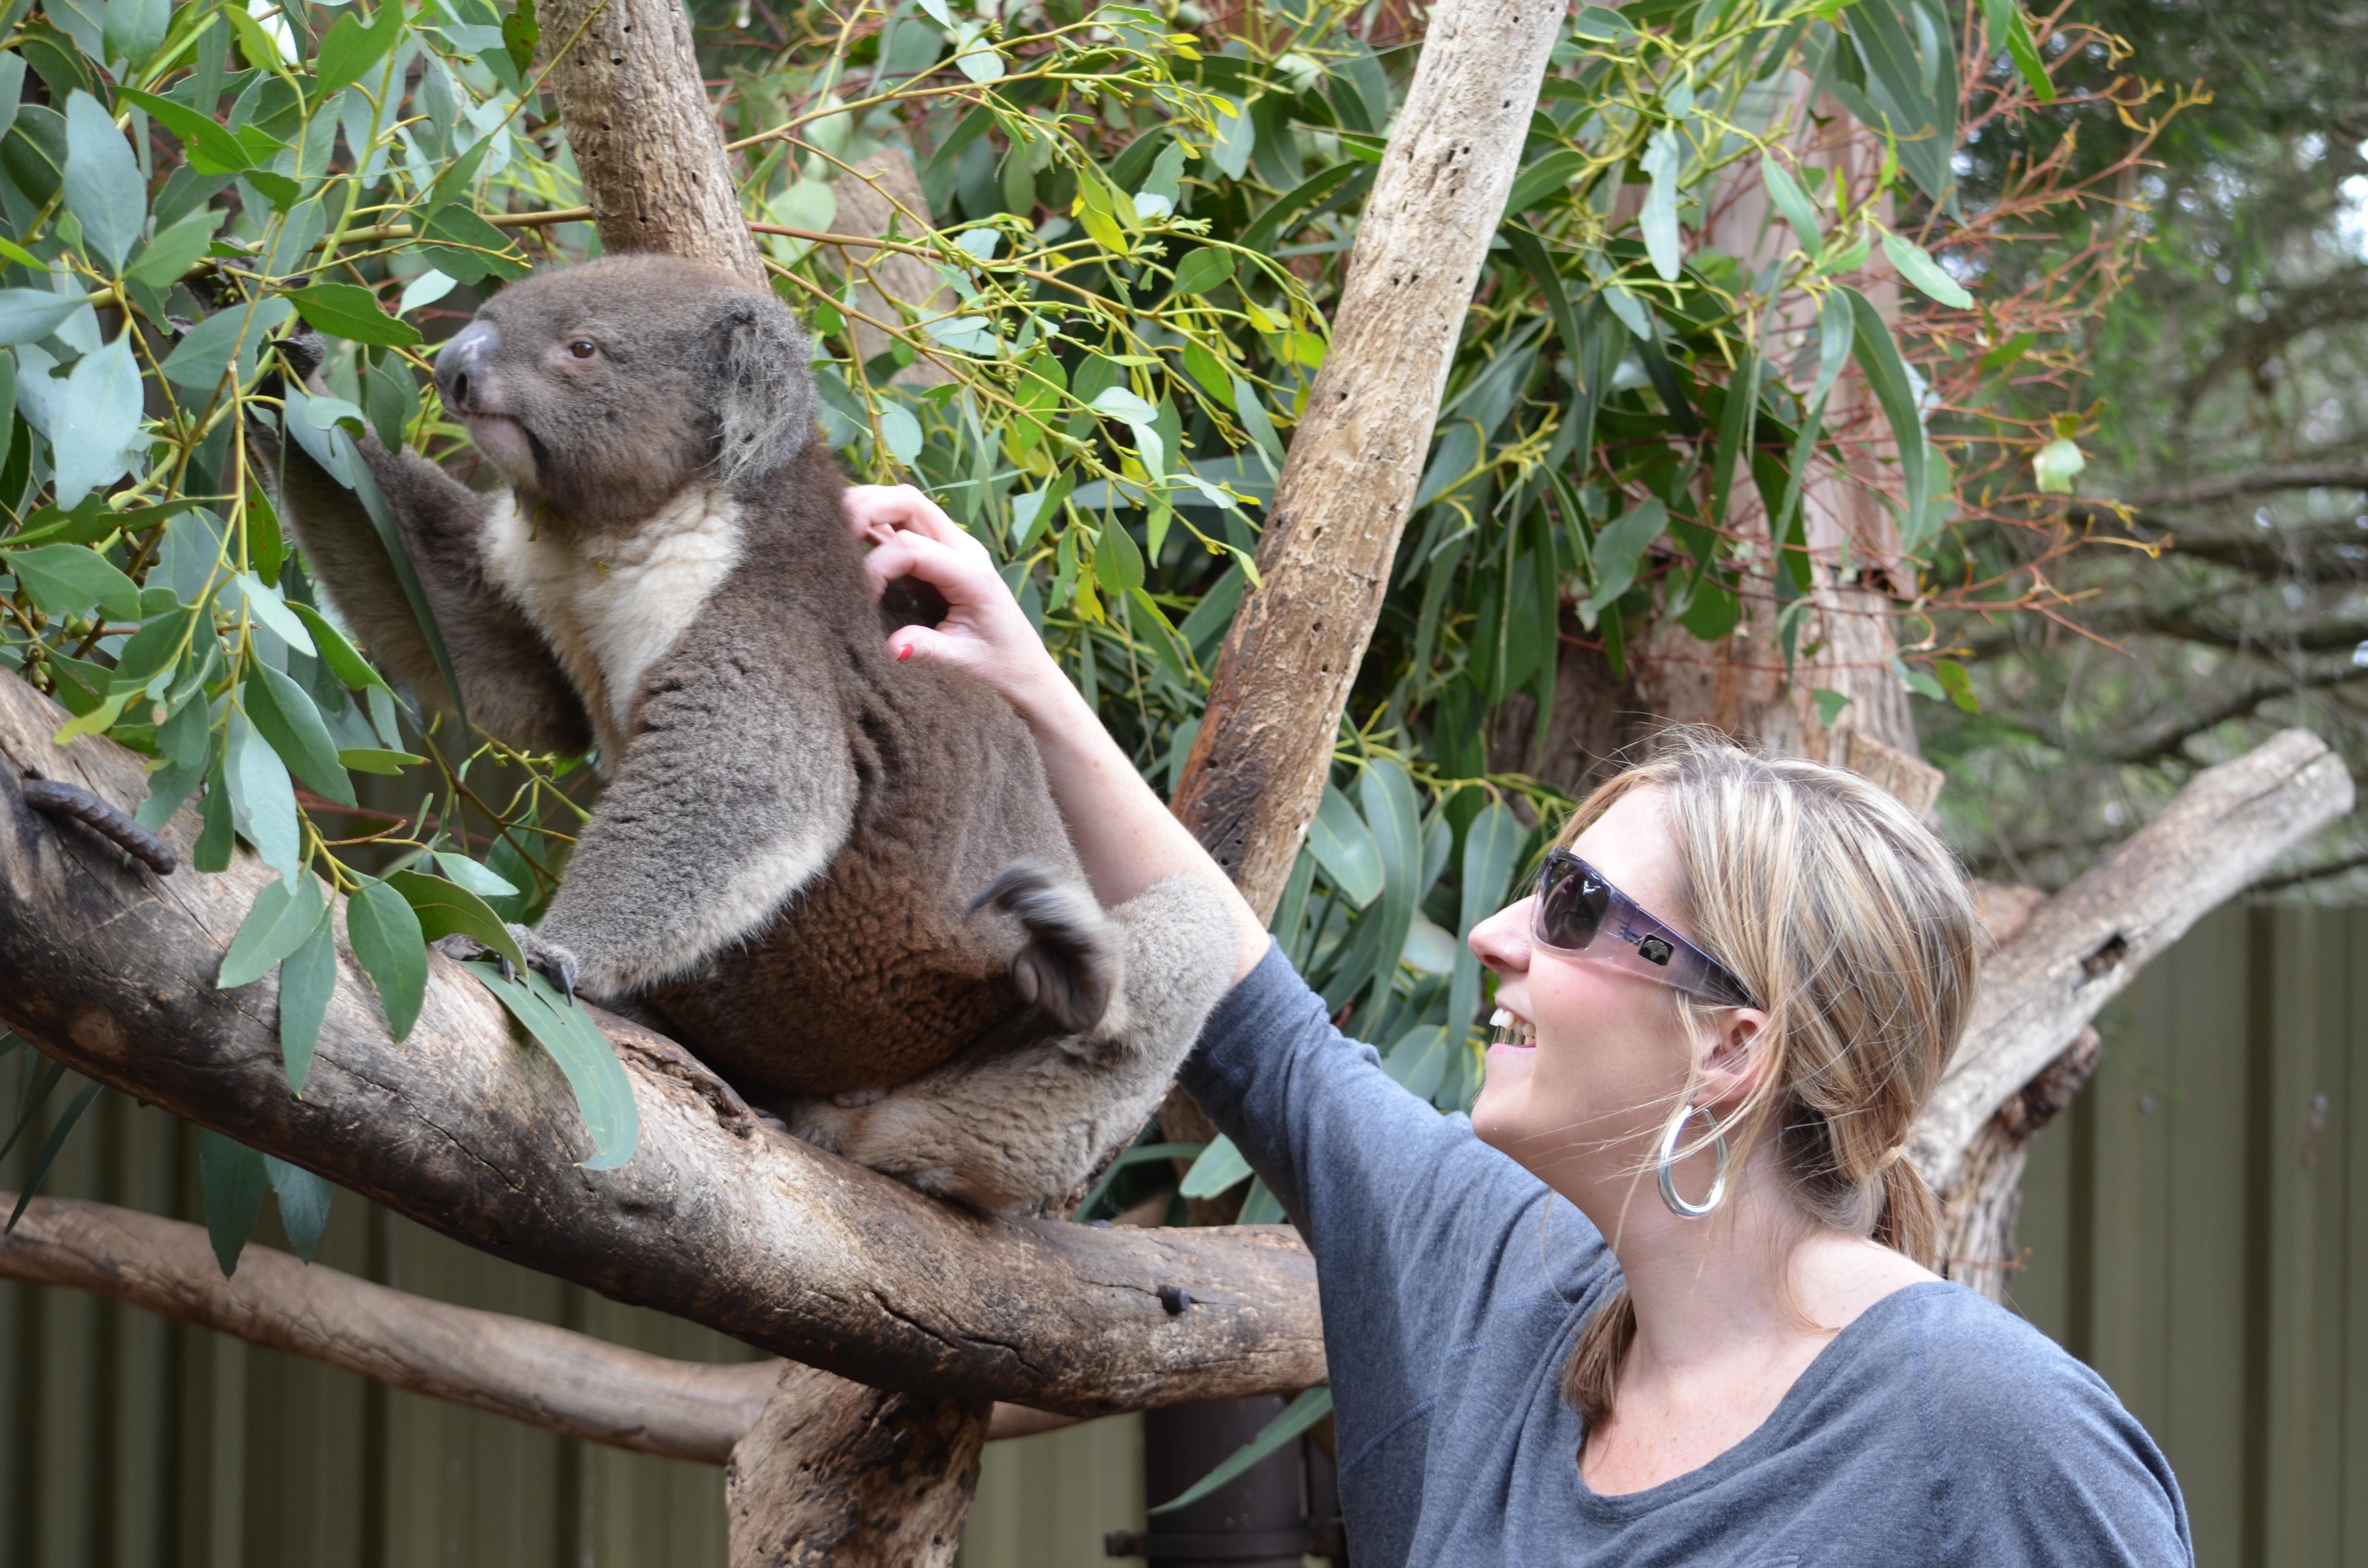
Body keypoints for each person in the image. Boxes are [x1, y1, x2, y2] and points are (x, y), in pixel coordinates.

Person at [843, 484, 2193, 1566]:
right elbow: (1268, 1035)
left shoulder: (1990, 1435)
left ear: (1734, 1047)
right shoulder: (1497, 1287)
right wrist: (1021, 678)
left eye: (1572, 908)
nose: (1494, 935)